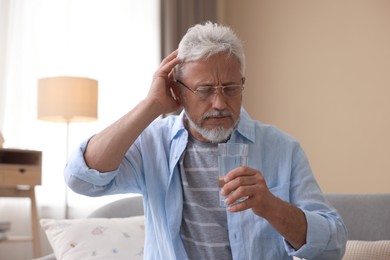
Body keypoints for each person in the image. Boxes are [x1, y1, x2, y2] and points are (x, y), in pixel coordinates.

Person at [64, 22, 347, 259]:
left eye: (231, 88)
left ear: (243, 83)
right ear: (178, 90)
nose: (220, 103)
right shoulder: (154, 144)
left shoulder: (283, 149)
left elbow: (334, 245)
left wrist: (272, 207)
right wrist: (151, 104)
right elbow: (82, 179)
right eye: (205, 90)